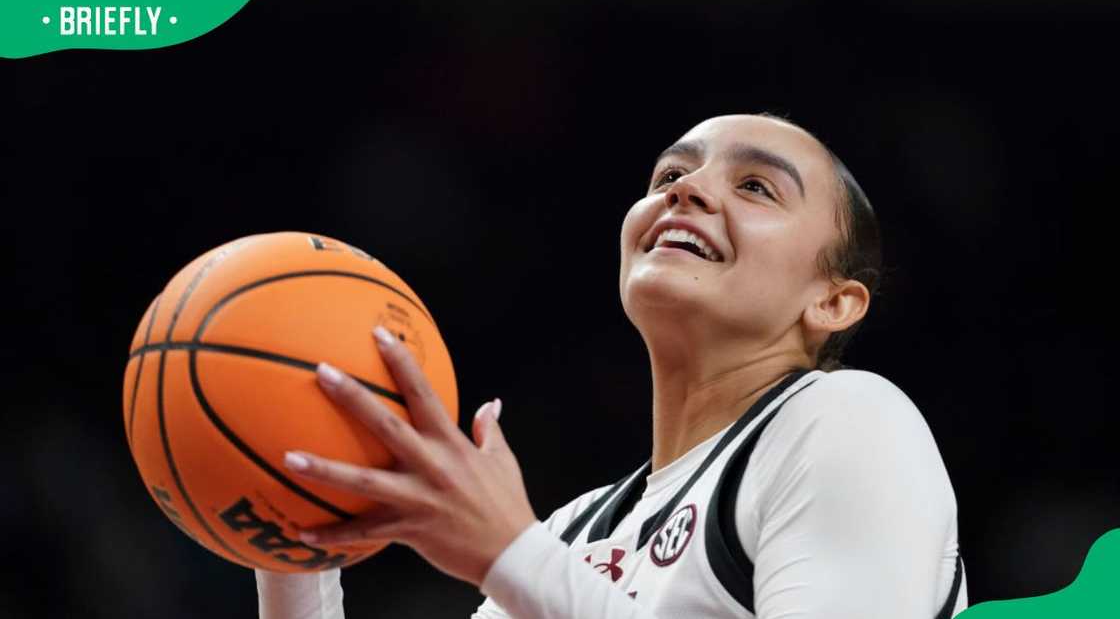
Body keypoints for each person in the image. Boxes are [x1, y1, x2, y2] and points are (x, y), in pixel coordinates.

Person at [255, 113, 968, 619]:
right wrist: (288, 537)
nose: (684, 191)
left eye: (756, 187)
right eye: (670, 174)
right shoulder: (577, 531)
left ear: (835, 302)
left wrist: (509, 552)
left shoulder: (848, 420)